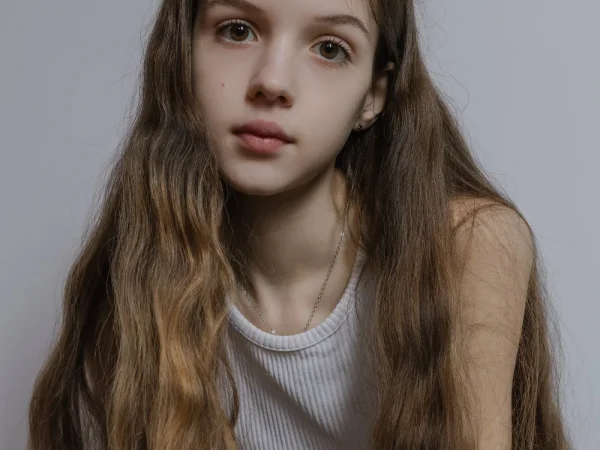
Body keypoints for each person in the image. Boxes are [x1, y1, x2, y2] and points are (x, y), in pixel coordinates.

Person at [27, 0, 571, 448]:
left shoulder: (466, 244)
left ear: (373, 96)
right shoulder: (144, 268)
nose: (271, 81)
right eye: (237, 30)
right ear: (183, 52)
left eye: (330, 48)